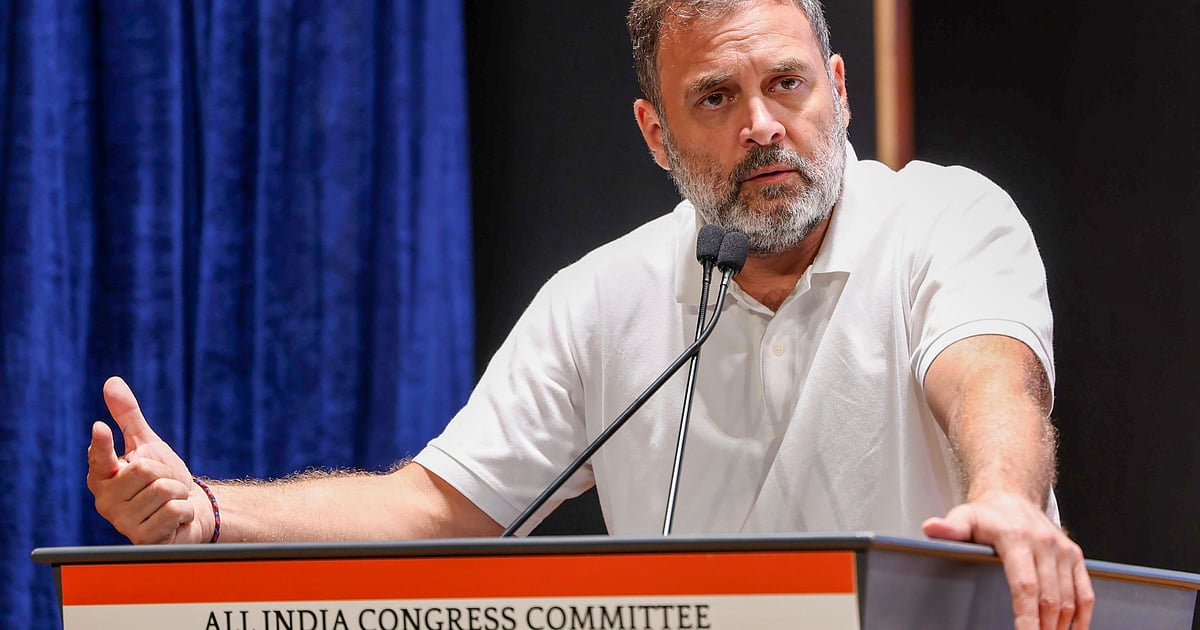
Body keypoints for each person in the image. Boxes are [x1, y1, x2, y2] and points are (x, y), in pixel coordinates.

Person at [87, 0, 1093, 628]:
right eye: (715, 98)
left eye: (787, 84)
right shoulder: (603, 298)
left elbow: (989, 377)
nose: (762, 126)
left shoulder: (946, 218)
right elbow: (438, 508)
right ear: (656, 134)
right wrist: (209, 513)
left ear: (836, 88)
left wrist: (1004, 495)